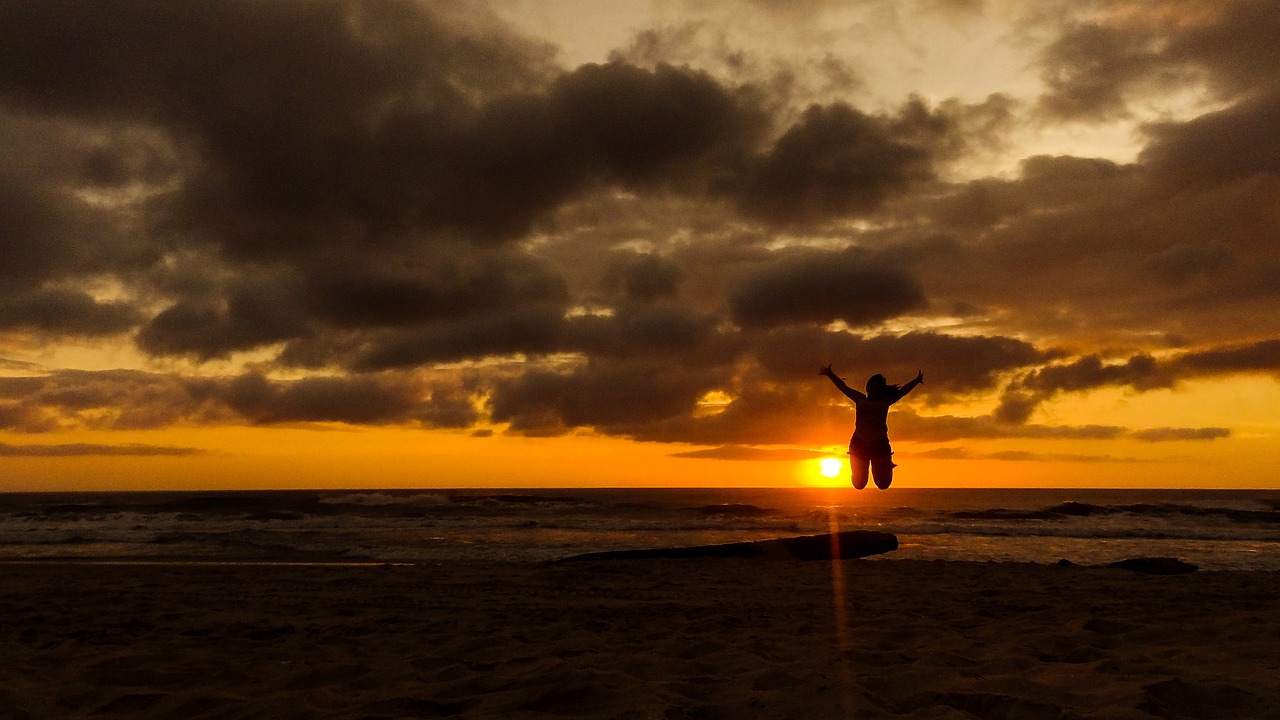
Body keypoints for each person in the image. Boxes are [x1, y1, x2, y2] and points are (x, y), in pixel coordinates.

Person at [819, 366, 923, 490]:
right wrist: (830, 374)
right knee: (859, 484)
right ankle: (860, 467)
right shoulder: (859, 398)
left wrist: (916, 381)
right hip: (859, 443)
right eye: (871, 386)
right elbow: (843, 387)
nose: (873, 389)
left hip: (879, 444)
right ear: (867, 388)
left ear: (881, 390)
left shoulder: (886, 401)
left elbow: (903, 391)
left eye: (877, 387)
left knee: (883, 485)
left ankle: (885, 465)